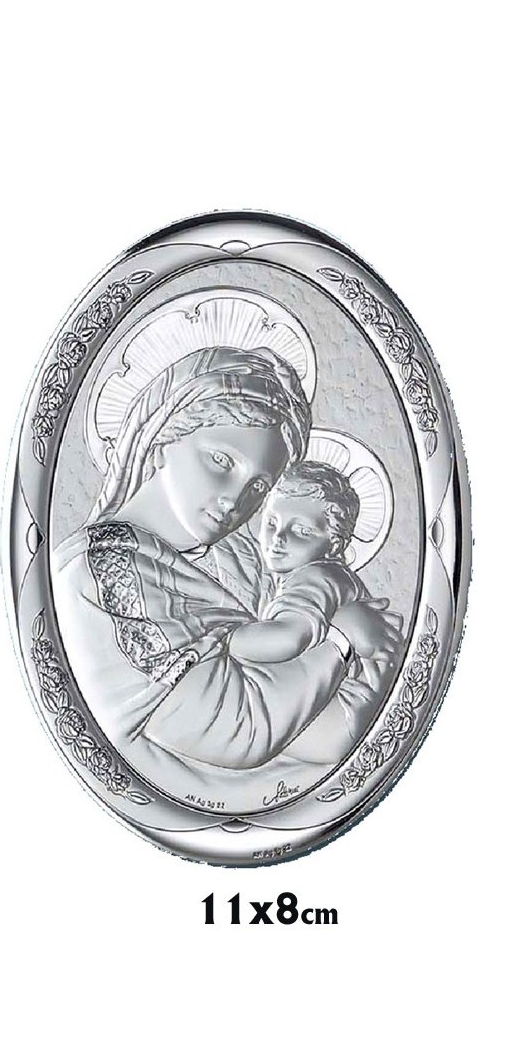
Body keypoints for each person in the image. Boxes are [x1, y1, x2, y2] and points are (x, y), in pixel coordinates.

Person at [52, 344, 401, 809]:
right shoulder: (105, 571)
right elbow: (243, 729)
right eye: (221, 461)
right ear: (162, 439)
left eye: (258, 486)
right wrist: (342, 640)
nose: (236, 501)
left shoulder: (179, 575)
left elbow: (303, 720)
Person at [229, 460, 376, 664]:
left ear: (334, 545)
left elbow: (288, 639)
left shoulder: (319, 575)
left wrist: (221, 640)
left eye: (301, 531)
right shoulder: (296, 575)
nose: (278, 537)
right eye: (272, 522)